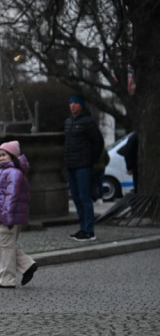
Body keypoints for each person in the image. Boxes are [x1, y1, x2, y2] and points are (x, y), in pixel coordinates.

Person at [0, 141, 37, 288]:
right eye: (0, 155)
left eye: (4, 155)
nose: (1, 158)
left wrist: (6, 215)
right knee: (3, 245)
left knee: (6, 247)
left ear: (13, 156)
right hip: (6, 215)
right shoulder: (6, 171)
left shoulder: (13, 173)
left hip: (10, 216)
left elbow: (11, 196)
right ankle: (27, 265)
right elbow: (0, 198)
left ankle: (7, 279)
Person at [63, 95, 104, 242]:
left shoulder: (88, 122)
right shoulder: (68, 122)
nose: (72, 106)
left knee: (84, 197)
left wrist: (90, 161)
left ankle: (89, 230)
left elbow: (98, 142)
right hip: (71, 166)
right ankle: (82, 227)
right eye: (71, 103)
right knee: (76, 197)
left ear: (81, 105)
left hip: (83, 166)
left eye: (75, 103)